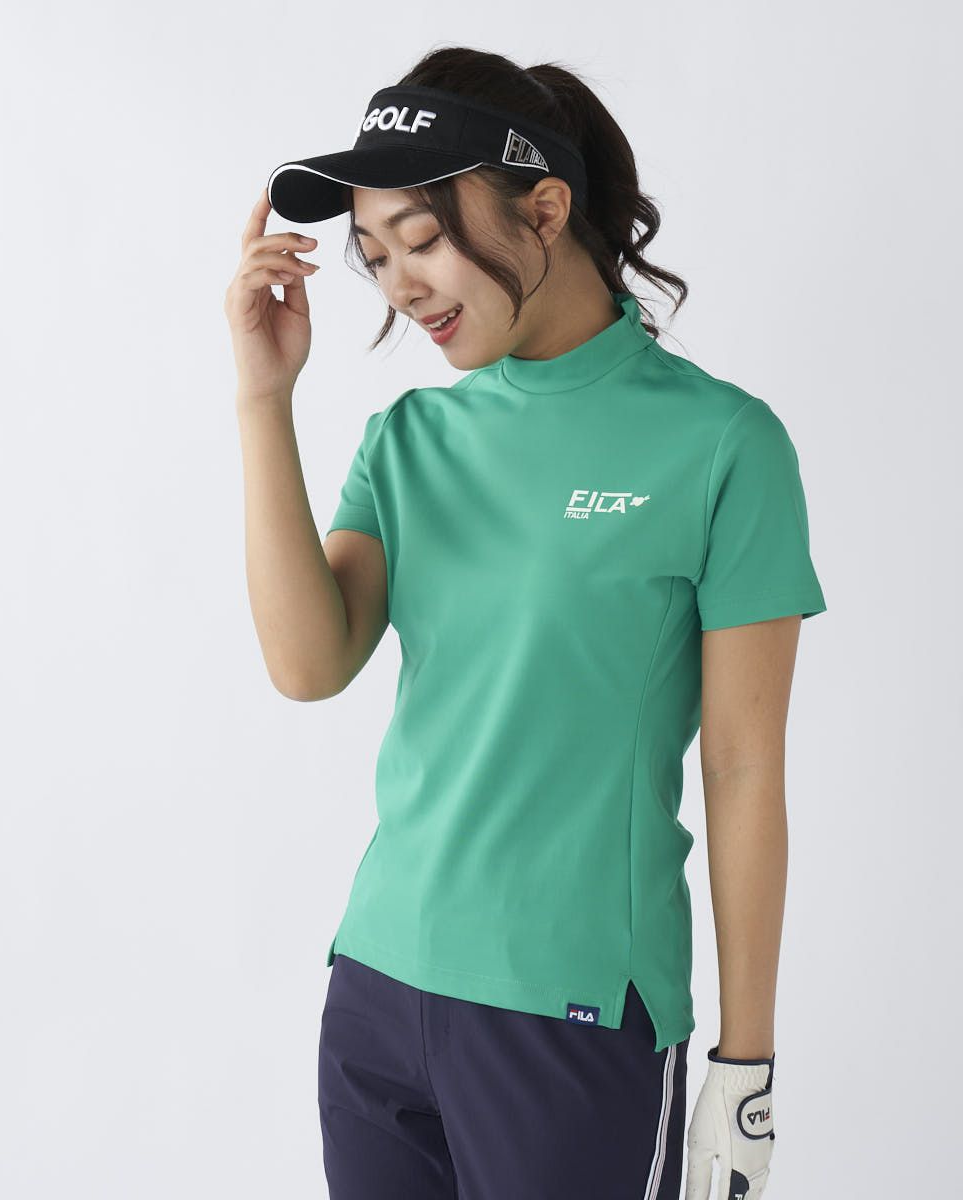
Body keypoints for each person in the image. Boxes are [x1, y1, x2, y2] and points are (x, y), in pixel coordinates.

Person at [223, 46, 826, 1200]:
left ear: (544, 209)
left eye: (420, 237)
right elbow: (306, 664)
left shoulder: (720, 444)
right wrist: (263, 397)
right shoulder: (409, 441)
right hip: (376, 991)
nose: (400, 286)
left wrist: (743, 1067)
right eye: (373, 255)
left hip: (570, 1011)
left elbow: (744, 767)